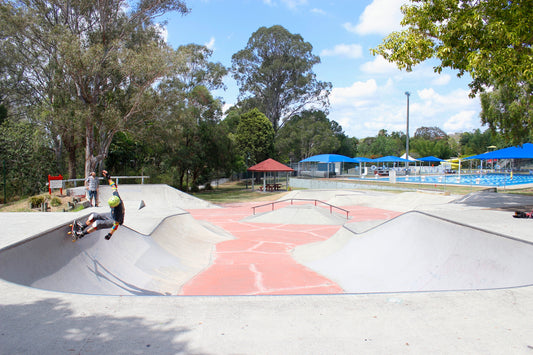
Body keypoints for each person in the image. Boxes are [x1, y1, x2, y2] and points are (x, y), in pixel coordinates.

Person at [76, 170, 125, 240]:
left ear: (115, 205)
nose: (110, 206)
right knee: (94, 215)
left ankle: (83, 234)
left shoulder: (118, 213)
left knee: (97, 223)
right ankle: (83, 227)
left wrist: (110, 234)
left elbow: (115, 226)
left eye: (111, 206)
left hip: (113, 220)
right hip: (110, 214)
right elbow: (113, 186)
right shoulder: (116, 196)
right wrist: (108, 177)